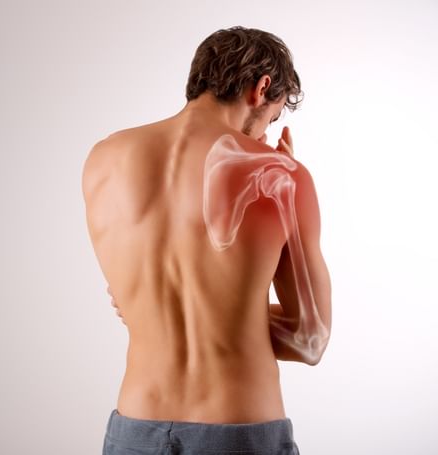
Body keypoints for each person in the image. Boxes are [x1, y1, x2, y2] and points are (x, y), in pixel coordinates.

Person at [82, 26, 332, 455]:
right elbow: (309, 338)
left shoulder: (103, 158)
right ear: (262, 89)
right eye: (271, 119)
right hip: (239, 431)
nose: (264, 137)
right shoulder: (279, 175)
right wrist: (287, 174)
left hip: (135, 430)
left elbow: (151, 298)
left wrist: (154, 312)